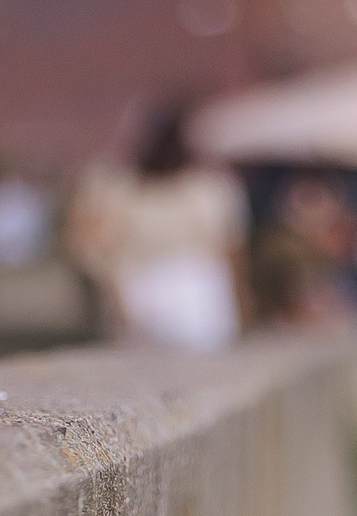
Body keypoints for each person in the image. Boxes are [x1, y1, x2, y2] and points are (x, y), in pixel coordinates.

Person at [65, 104, 248, 351]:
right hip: (185, 291)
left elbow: (89, 248)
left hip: (156, 289)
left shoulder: (117, 188)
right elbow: (230, 248)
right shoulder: (208, 188)